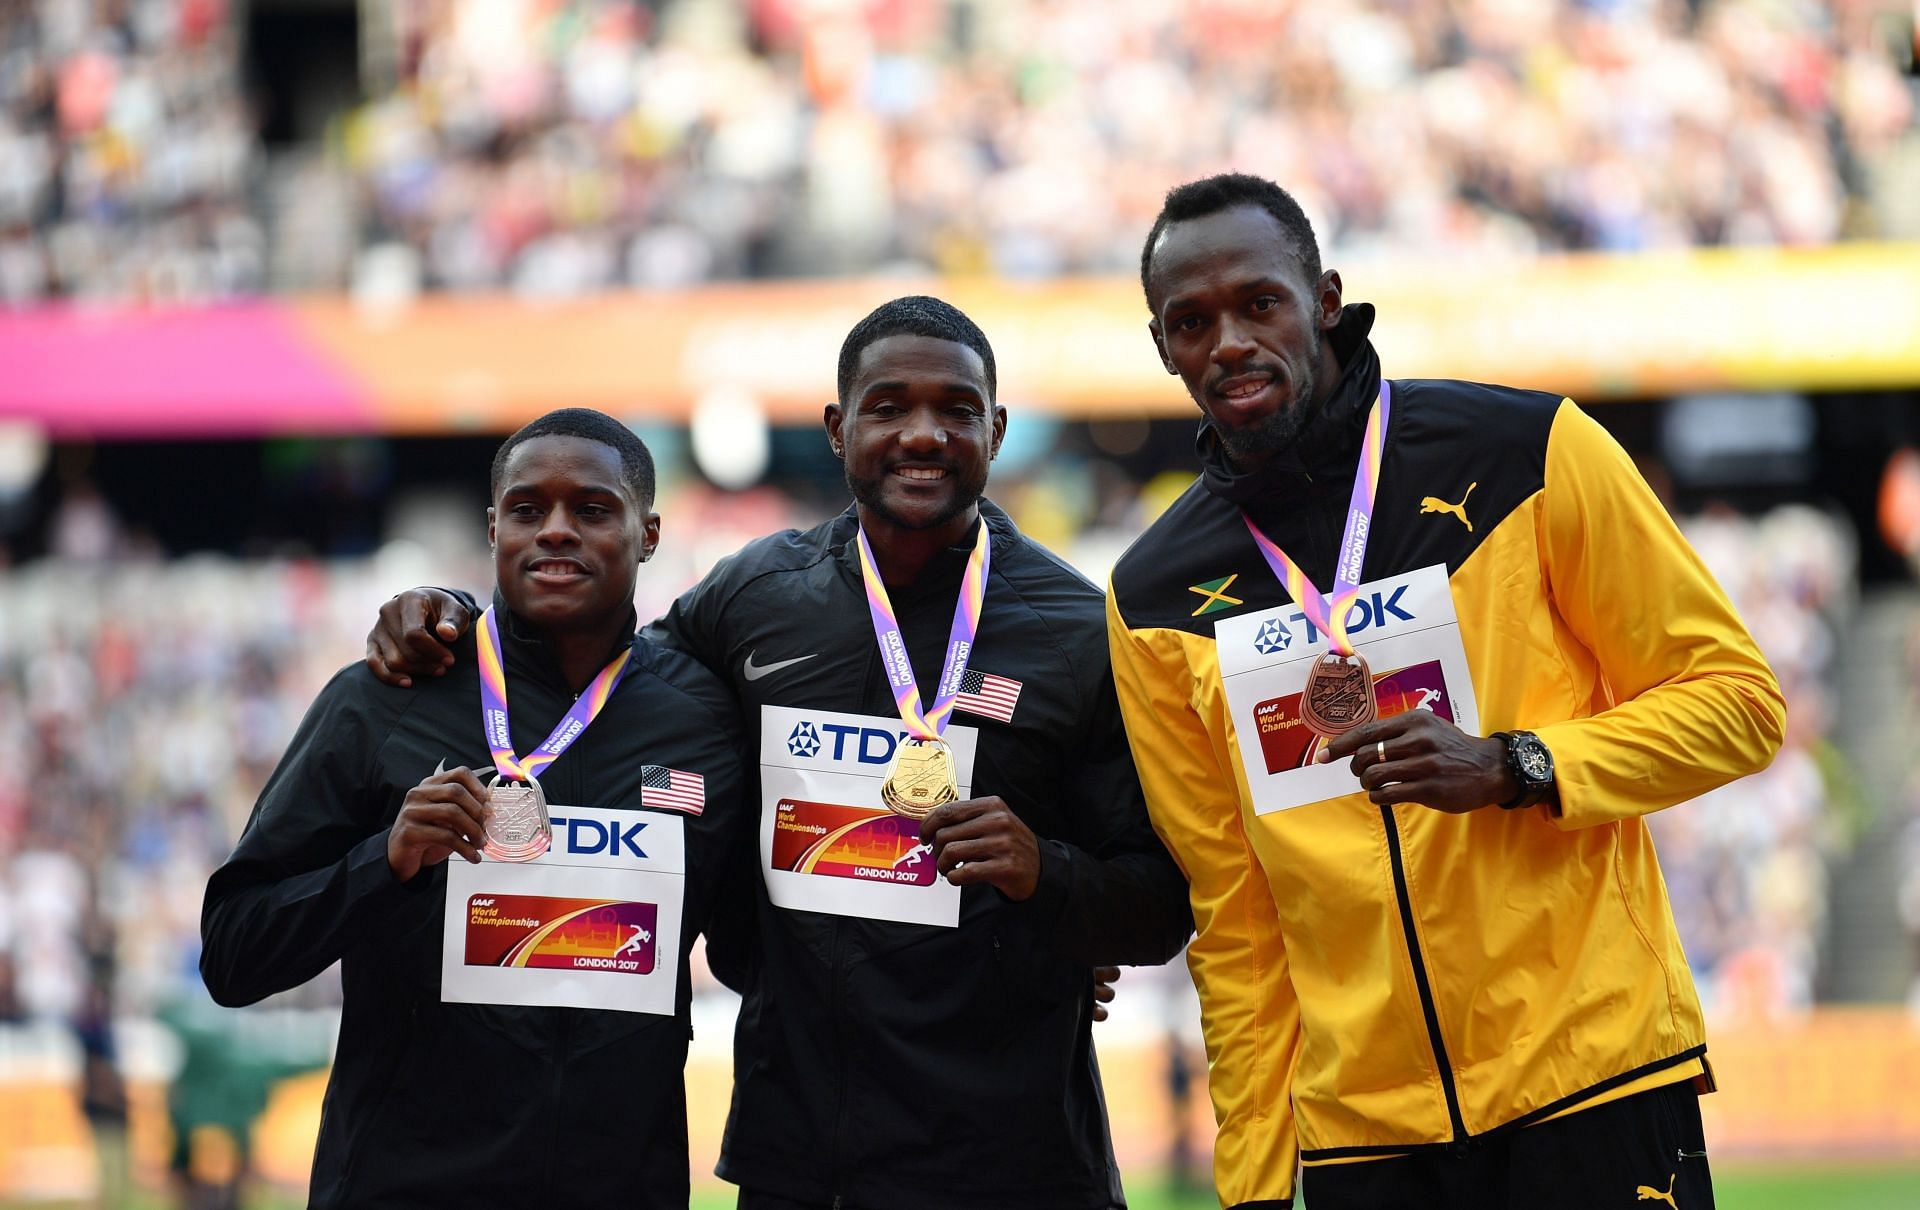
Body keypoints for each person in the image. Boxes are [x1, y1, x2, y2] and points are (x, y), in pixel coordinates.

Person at [366, 296, 1193, 1209]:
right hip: (798, 1161)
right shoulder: (754, 595)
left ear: (995, 430)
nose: (923, 434)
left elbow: (1159, 910)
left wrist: (1048, 875)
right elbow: (596, 675)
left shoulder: (1080, 630)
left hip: (1014, 1161)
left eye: (956, 410)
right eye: (889, 407)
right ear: (839, 429)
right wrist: (454, 608)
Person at [1105, 174, 1786, 1210]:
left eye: (1260, 302)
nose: (1229, 341)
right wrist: (1249, 1188)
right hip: (1364, 1141)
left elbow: (1737, 701)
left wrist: (1517, 763)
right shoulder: (1152, 594)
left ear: (1324, 297)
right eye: (1191, 321)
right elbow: (1237, 920)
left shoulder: (1529, 451)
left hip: (1591, 1082)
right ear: (1162, 346)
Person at [201, 409, 751, 1208]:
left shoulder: (704, 718)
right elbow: (233, 953)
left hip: (621, 1186)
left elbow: (758, 942)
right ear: (494, 529)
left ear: (650, 532)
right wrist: (381, 863)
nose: (556, 531)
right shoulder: (386, 696)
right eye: (528, 510)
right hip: (405, 1185)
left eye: (592, 510)